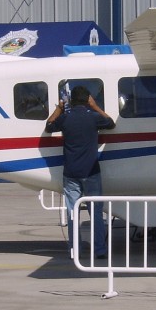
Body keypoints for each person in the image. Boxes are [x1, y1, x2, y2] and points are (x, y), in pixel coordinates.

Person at [44, 85, 115, 258]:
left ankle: (75, 250)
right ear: (88, 100)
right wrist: (95, 106)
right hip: (91, 171)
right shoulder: (93, 118)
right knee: (96, 212)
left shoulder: (65, 118)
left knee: (72, 213)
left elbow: (49, 126)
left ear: (72, 100)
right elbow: (111, 123)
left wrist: (59, 108)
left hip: (71, 173)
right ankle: (100, 250)